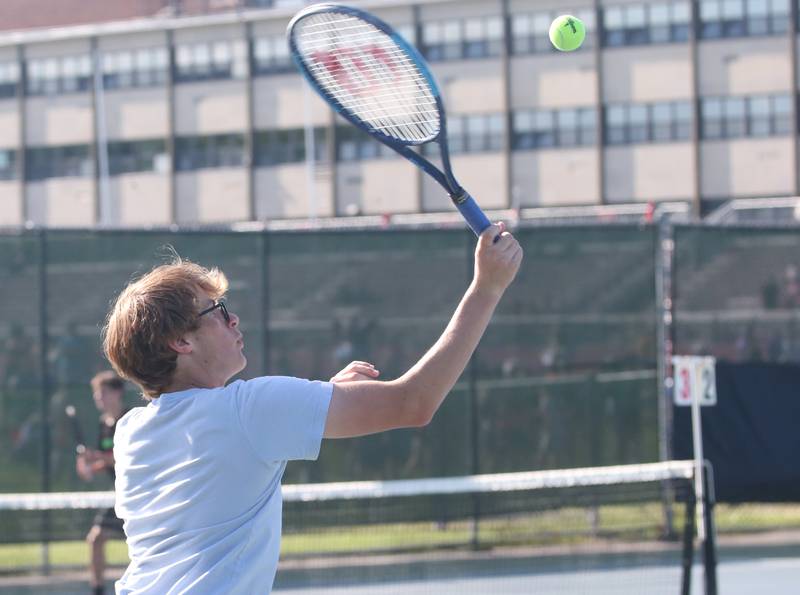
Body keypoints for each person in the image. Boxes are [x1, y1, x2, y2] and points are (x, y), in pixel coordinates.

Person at [103, 223, 522, 594]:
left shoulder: (131, 432)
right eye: (217, 311)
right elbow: (413, 402)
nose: (232, 321)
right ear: (182, 341)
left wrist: (323, 396)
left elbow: (222, 457)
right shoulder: (249, 409)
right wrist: (487, 288)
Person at [75, 371, 128, 595]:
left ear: (117, 393)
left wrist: (96, 457)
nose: (98, 397)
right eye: (97, 393)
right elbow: (107, 460)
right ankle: (97, 590)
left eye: (103, 392)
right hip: (117, 493)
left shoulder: (129, 419)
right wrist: (88, 466)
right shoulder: (103, 423)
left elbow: (125, 456)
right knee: (96, 538)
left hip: (136, 493)